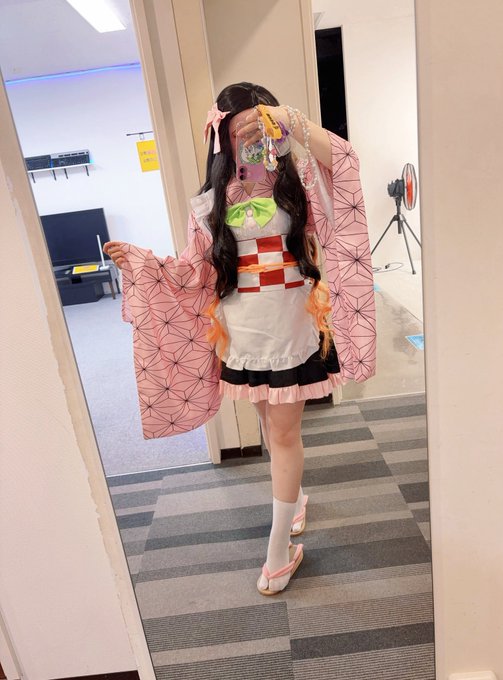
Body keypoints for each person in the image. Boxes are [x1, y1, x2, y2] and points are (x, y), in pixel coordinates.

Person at [104, 82, 376, 596]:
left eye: (259, 126)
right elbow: (193, 270)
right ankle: (295, 499)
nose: (251, 138)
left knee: (284, 433)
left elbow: (345, 162)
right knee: (268, 421)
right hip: (242, 327)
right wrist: (143, 262)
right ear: (220, 135)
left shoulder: (298, 183)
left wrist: (290, 119)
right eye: (239, 129)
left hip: (291, 321)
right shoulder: (210, 200)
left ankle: (277, 555)